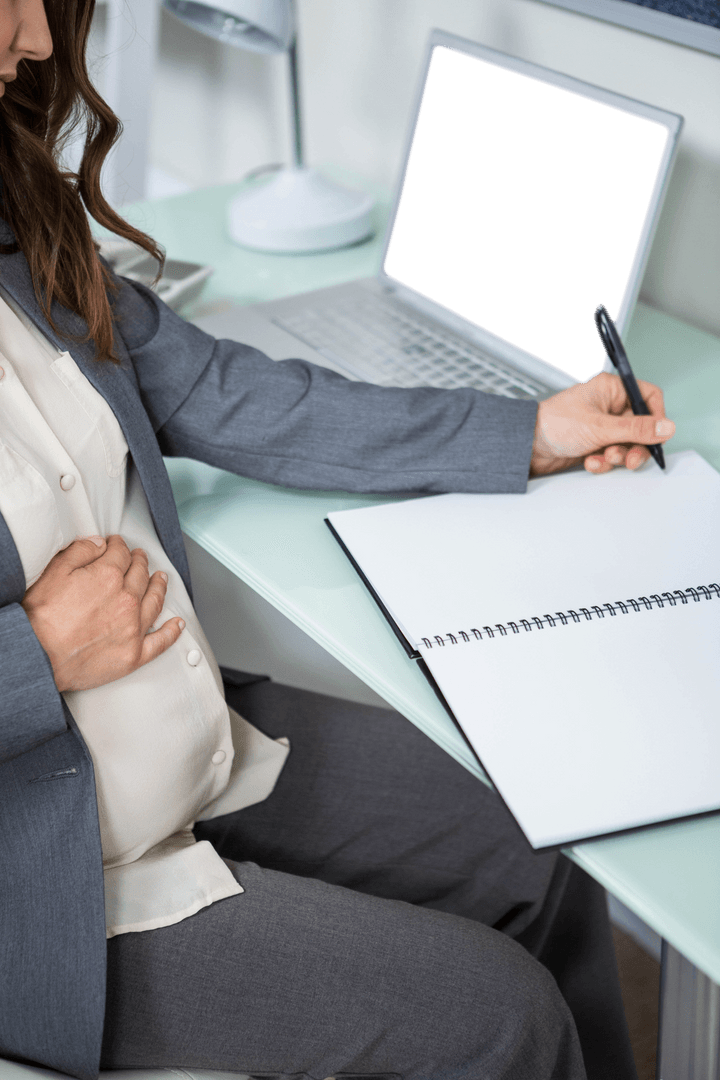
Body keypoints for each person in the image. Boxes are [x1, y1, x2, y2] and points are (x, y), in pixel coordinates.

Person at [0, 3, 676, 1080]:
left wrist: (527, 431)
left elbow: (224, 391)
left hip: (182, 739)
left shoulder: (11, 212)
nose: (38, 41)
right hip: (43, 886)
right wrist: (34, 656)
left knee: (542, 843)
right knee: (502, 1017)